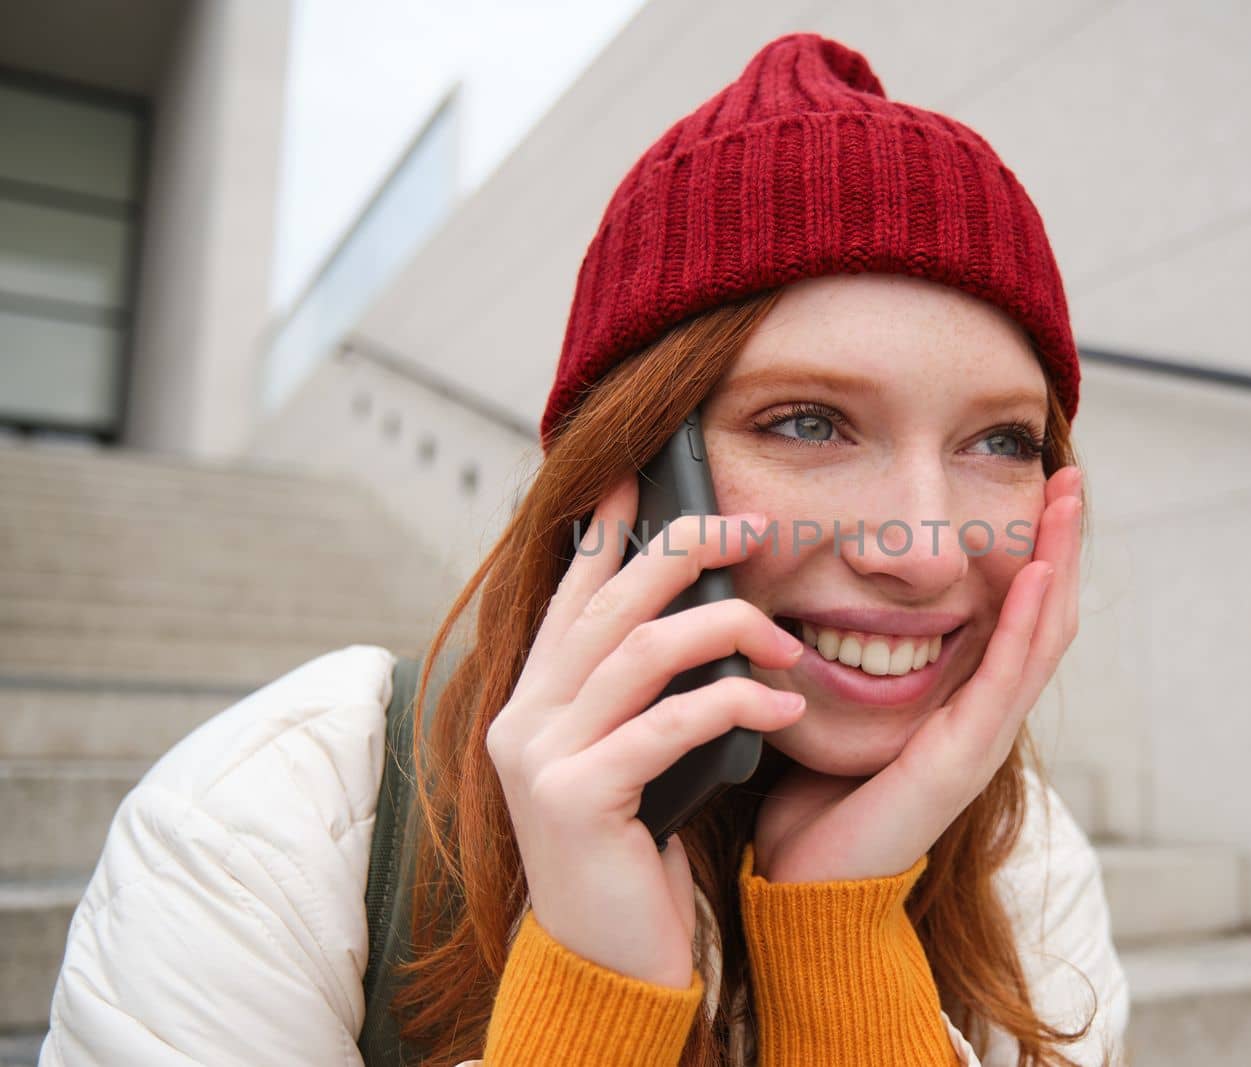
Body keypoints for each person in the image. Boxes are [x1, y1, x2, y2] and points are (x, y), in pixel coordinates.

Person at [41, 31, 1129, 1067]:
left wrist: (841, 940)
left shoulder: (1026, 865)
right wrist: (592, 997)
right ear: (632, 471)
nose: (930, 549)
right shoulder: (268, 825)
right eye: (807, 421)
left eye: (1001, 440)